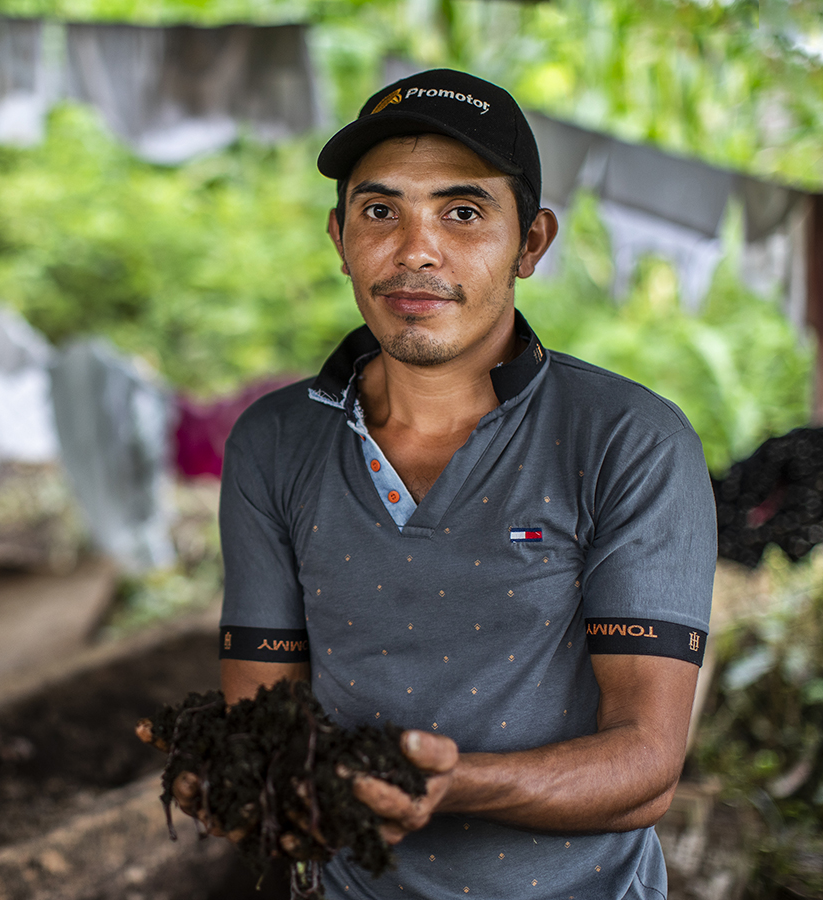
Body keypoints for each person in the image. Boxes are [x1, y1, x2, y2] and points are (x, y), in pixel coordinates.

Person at [189, 69, 716, 899]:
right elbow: (265, 725)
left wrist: (456, 785)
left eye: (463, 212)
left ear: (531, 243)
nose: (414, 250)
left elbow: (647, 766)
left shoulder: (628, 440)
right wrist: (230, 781)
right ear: (339, 238)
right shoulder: (276, 441)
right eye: (379, 210)